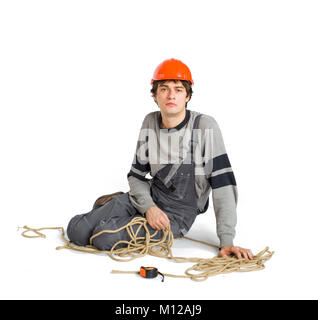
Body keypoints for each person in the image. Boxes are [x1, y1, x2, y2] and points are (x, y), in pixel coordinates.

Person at [67, 58, 254, 260]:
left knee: (103, 237)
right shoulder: (150, 122)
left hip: (176, 216)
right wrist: (149, 208)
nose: (171, 95)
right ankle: (125, 204)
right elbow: (137, 175)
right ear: (155, 95)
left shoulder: (204, 127)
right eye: (164, 89)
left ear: (188, 96)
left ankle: (122, 212)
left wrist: (227, 241)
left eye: (178, 89)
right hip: (148, 199)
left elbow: (223, 184)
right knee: (76, 230)